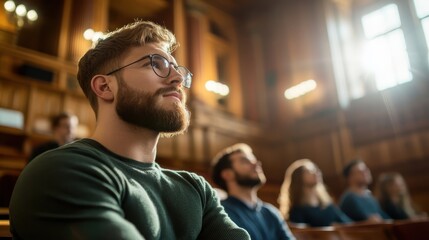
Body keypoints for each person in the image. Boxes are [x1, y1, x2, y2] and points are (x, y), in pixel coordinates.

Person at [10, 20, 250, 240]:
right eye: (156, 64)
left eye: (178, 69)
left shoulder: (196, 189)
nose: (177, 77)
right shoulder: (62, 170)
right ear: (105, 86)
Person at [211, 143, 295, 240]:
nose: (256, 164)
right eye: (245, 161)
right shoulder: (220, 212)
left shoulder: (271, 212)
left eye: (253, 160)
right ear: (227, 174)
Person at [278, 159, 351, 227]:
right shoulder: (296, 211)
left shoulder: (327, 205)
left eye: (316, 170)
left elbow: (347, 224)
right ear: (298, 178)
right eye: (309, 171)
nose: (316, 172)